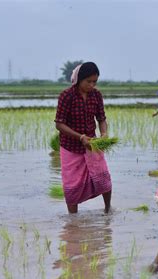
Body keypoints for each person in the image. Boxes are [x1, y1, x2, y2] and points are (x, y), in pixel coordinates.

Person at [54, 62, 112, 214]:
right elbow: (59, 124)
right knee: (72, 184)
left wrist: (104, 134)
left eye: (95, 82)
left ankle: (108, 210)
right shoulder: (67, 96)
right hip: (71, 147)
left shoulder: (96, 95)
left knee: (103, 177)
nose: (92, 85)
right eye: (89, 82)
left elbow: (101, 118)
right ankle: (73, 219)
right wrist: (80, 137)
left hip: (92, 144)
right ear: (79, 79)